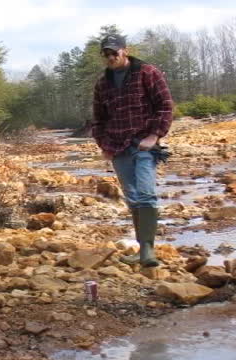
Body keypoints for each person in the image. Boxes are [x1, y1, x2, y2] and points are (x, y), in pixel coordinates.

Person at [91, 34, 174, 267]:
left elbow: (165, 107)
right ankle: (141, 250)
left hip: (143, 144)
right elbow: (98, 119)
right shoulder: (102, 83)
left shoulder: (147, 72)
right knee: (132, 198)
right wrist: (103, 145)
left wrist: (154, 135)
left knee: (146, 193)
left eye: (114, 53)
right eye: (106, 54)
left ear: (124, 51)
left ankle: (148, 249)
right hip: (117, 147)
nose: (110, 57)